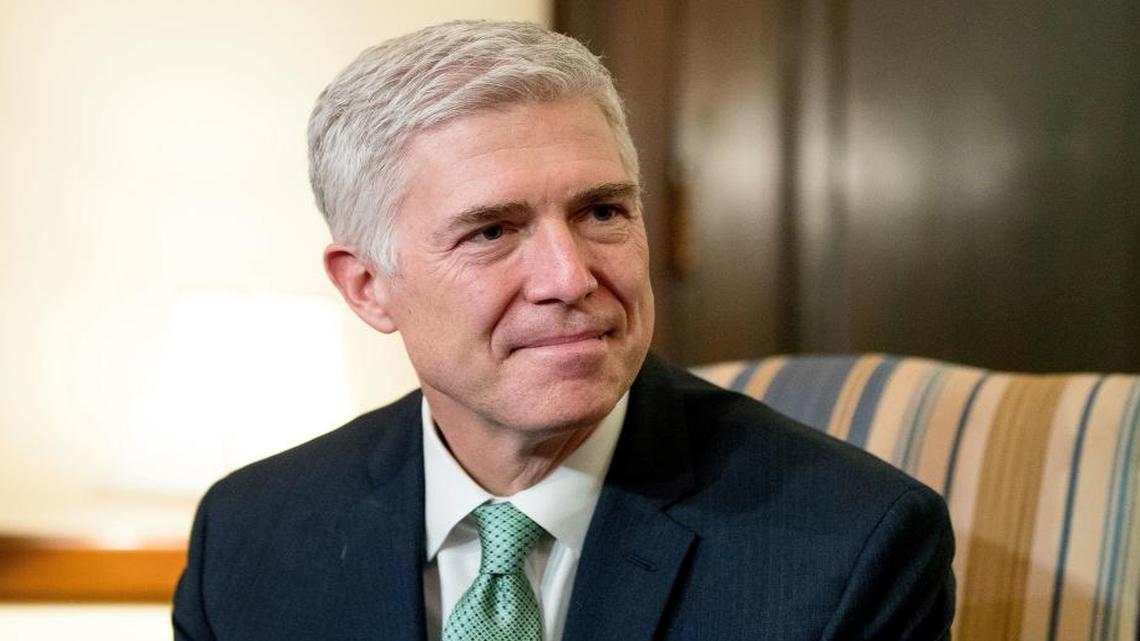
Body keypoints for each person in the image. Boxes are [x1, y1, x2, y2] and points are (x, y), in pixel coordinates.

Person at [173, 20, 954, 641]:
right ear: (369, 286)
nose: (570, 278)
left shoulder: (851, 543)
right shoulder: (248, 538)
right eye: (491, 231)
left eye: (602, 212)